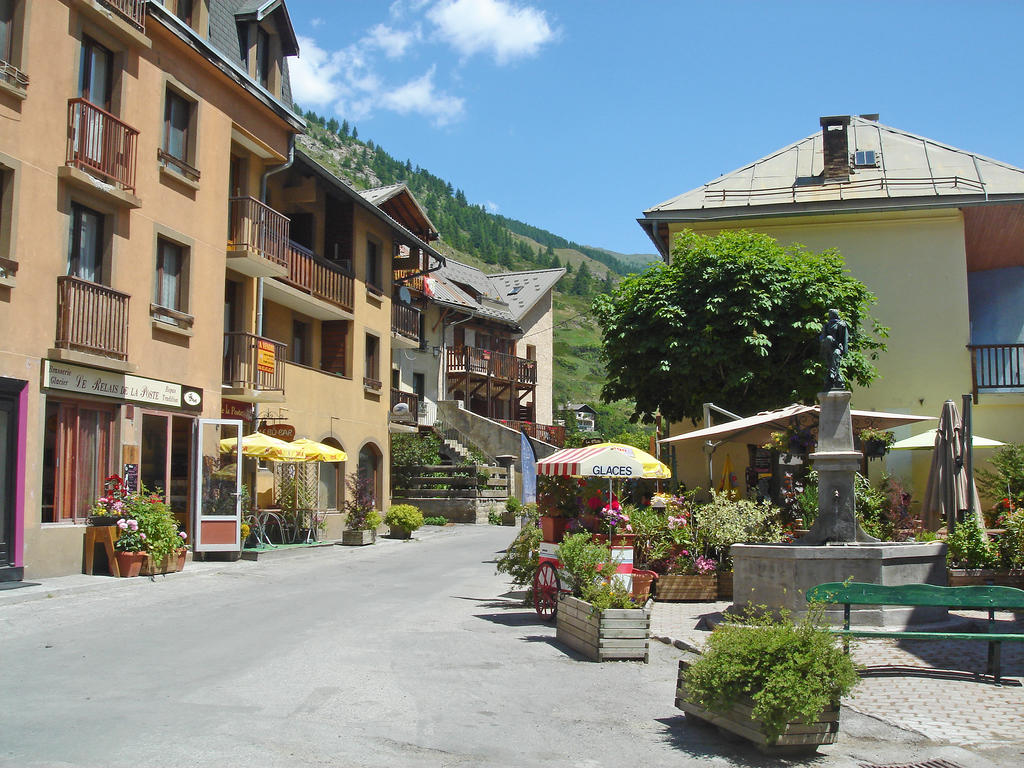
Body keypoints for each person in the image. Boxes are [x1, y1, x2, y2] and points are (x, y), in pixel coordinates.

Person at [819, 309, 848, 391]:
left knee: (835, 356)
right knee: (829, 339)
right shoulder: (827, 325)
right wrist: (824, 341)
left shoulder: (841, 325)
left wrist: (844, 351)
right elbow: (822, 337)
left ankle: (832, 377)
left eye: (831, 314)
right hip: (828, 347)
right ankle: (835, 378)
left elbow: (844, 338)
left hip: (837, 347)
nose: (829, 316)